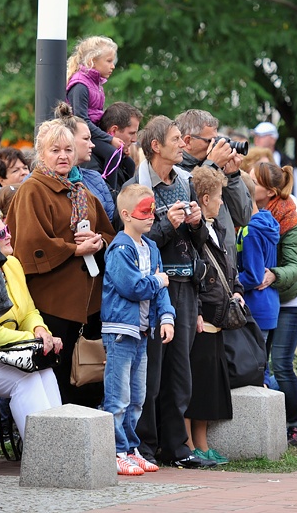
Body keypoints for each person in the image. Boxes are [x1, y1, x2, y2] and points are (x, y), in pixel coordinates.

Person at [5, 119, 115, 405]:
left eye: (68, 149)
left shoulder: (82, 190)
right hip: (51, 302)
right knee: (55, 378)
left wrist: (98, 241)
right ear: (41, 154)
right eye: (55, 150)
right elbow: (29, 244)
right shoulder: (32, 190)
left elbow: (107, 232)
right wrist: (73, 249)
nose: (63, 156)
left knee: (86, 377)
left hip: (89, 303)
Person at [125, 116, 210, 468]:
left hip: (184, 289)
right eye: (177, 138)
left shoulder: (186, 183)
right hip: (153, 290)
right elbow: (132, 241)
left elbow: (202, 244)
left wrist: (196, 223)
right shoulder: (138, 188)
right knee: (151, 373)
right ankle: (145, 446)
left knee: (180, 373)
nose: (183, 143)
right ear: (156, 145)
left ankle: (177, 447)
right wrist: (167, 223)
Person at [0, 214, 63, 439]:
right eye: (1, 233)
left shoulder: (12, 264)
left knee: (45, 369)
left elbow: (29, 311)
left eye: (7, 229)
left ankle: (61, 445)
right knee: (26, 379)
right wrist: (33, 340)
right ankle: (41, 449)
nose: (8, 235)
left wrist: (41, 331)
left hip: (9, 351)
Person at [101, 184, 174, 475]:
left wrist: (166, 316)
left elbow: (159, 291)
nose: (152, 216)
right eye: (145, 211)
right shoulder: (120, 249)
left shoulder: (152, 247)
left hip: (143, 333)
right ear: (126, 214)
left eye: (153, 210)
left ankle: (131, 448)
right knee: (118, 397)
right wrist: (159, 281)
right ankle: (116, 451)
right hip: (121, 332)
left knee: (137, 398)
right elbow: (133, 287)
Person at [249, 161, 297, 448]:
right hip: (264, 298)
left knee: (281, 363)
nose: (248, 182)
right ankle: (266, 423)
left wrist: (274, 274)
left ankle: (296, 427)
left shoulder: (287, 215)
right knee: (259, 361)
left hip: (289, 298)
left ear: (270, 191)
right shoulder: (246, 207)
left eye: (254, 180)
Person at [186, 166, 239, 466]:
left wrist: (238, 289)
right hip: (201, 318)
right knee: (193, 386)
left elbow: (228, 267)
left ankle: (203, 443)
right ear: (205, 198)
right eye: (218, 198)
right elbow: (192, 276)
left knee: (208, 386)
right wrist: (194, 311)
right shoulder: (193, 232)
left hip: (218, 319)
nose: (221, 203)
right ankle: (189, 443)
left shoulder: (217, 228)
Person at [176, 108, 252, 255]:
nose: (216, 146)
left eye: (216, 140)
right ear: (187, 141)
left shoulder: (216, 167)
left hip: (227, 264)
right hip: (202, 265)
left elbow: (243, 217)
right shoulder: (175, 170)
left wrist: (233, 176)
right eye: (210, 141)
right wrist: (211, 165)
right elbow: (193, 206)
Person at [235, 173, 280, 343]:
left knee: (256, 367)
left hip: (256, 307)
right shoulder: (266, 221)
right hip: (268, 304)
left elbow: (254, 276)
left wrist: (229, 283)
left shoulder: (250, 230)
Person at [55, 103, 116, 222]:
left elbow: (111, 225)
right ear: (68, 138)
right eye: (86, 139)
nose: (92, 145)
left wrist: (101, 240)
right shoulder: (35, 184)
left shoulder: (95, 178)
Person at [83, 102, 142, 199]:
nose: (135, 139)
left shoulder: (125, 161)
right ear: (113, 131)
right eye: (131, 133)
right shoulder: (90, 161)